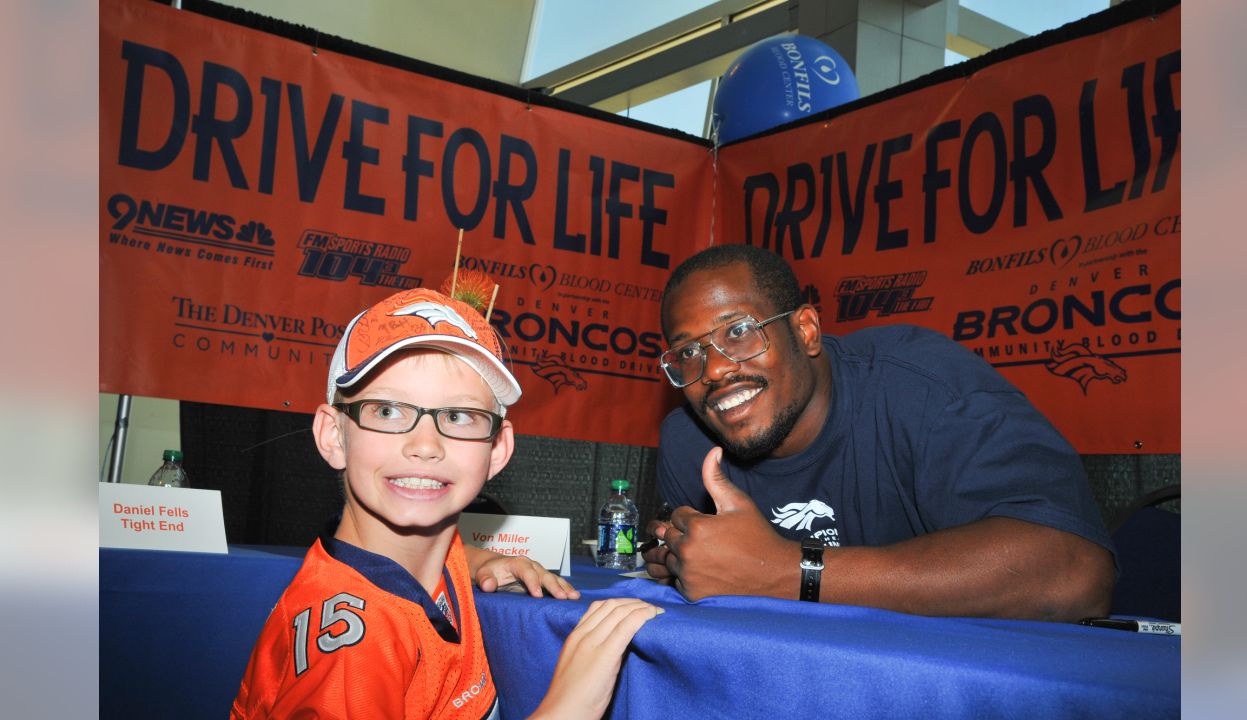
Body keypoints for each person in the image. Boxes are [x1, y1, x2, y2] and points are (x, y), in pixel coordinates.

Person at [232, 287, 660, 719]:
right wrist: (570, 707)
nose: (425, 445)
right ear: (333, 436)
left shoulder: (425, 556)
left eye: (458, 416)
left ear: (496, 450)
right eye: (387, 411)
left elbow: (427, 564)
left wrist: (476, 560)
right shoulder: (352, 646)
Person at [642, 244, 1115, 622]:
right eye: (687, 353)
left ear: (806, 330)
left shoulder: (921, 388)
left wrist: (785, 572)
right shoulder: (691, 442)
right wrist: (682, 559)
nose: (716, 370)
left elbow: (1074, 573)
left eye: (740, 331)